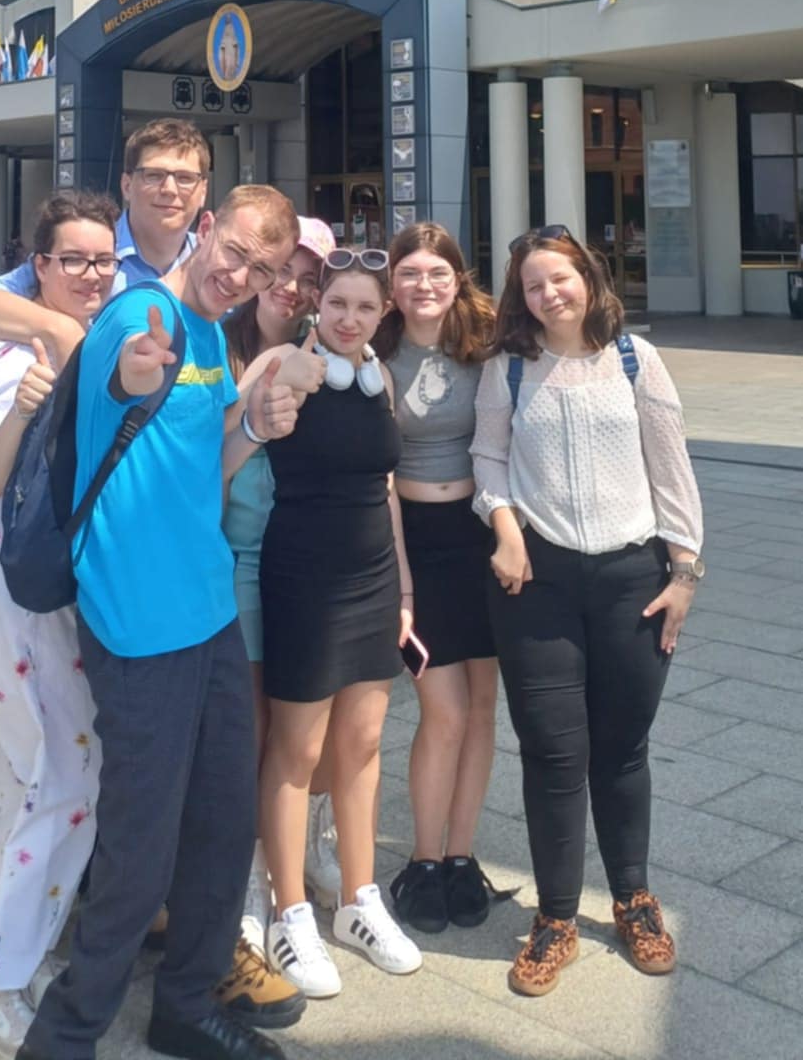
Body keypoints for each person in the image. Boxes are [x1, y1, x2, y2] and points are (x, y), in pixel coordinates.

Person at [18, 184, 307, 1060]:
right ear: (206, 229)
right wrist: (134, 373)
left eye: (263, 270)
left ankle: (184, 1005)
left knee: (223, 823)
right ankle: (65, 1037)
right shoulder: (136, 315)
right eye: (237, 252)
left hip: (210, 612)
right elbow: (120, 375)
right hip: (138, 623)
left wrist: (257, 428)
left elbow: (206, 466)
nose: (241, 275)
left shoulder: (213, 336)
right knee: (140, 848)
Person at [471, 226, 705, 998]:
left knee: (623, 750)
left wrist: (684, 573)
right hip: (536, 583)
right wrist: (505, 528)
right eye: (533, 286)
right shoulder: (508, 368)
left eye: (559, 279)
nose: (549, 295)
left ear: (588, 277)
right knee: (551, 752)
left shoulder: (636, 360)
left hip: (632, 580)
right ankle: (557, 918)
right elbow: (487, 457)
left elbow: (672, 469)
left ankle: (634, 900)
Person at [0, 191, 121, 1060]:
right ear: (39, 267)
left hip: (63, 584)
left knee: (63, 771)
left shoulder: (101, 339)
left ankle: (17, 959)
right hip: (10, 577)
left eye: (103, 260)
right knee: (40, 773)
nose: (90, 274)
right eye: (72, 259)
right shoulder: (14, 352)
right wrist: (21, 404)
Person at [258, 248, 422, 999]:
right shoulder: (285, 367)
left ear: (383, 314)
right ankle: (288, 910)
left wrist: (403, 588)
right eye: (337, 304)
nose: (349, 319)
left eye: (365, 307)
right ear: (316, 306)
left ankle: (359, 899)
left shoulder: (380, 379)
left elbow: (385, 489)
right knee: (297, 749)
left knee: (361, 743)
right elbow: (231, 437)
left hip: (373, 578)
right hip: (303, 577)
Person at [374, 222, 506, 934]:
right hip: (414, 541)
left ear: (458, 279)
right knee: (444, 710)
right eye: (410, 273)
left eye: (438, 272)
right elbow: (380, 474)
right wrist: (400, 582)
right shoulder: (375, 350)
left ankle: (461, 855)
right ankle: (423, 860)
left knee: (483, 707)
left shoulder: (487, 342)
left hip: (484, 536)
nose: (424, 285)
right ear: (392, 284)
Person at [223, 219, 341, 933]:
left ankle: (304, 849)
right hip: (235, 558)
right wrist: (264, 377)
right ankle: (241, 877)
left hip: (306, 561)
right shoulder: (219, 345)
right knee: (250, 724)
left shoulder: (327, 354)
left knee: (312, 726)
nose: (292, 289)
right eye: (280, 272)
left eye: (308, 279)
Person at [0, 121, 211, 363]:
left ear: (203, 192)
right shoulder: (87, 251)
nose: (169, 189)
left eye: (185, 178)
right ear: (126, 185)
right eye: (153, 175)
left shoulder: (214, 263)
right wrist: (63, 331)